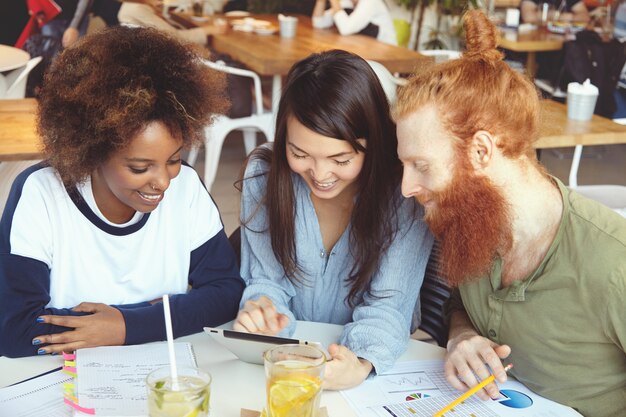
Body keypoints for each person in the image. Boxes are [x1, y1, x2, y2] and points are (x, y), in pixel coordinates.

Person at [394, 10, 625, 417]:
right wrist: (462, 335)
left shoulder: (613, 264)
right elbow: (460, 301)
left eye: (422, 166)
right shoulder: (470, 220)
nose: (406, 188)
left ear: (481, 151)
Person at [0, 26, 245, 358]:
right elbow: (15, 329)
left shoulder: (185, 188)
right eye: (140, 167)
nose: (163, 181)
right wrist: (168, 313)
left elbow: (227, 293)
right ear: (93, 151)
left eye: (173, 159)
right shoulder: (40, 194)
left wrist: (125, 326)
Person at [233, 50, 433, 390]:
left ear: (373, 144)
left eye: (340, 159)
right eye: (299, 154)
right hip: (287, 363)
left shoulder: (404, 192)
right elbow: (266, 281)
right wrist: (265, 316)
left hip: (366, 370)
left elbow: (389, 305)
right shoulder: (264, 175)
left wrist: (360, 363)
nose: (320, 174)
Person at [312, 0, 397, 45]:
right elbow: (319, 23)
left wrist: (335, 2)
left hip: (386, 53)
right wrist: (321, 1)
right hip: (364, 48)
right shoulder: (347, 2)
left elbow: (346, 29)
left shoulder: (371, 2)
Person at [520, 0, 589, 24]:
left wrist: (557, 16)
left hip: (563, 43)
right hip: (535, 41)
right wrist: (568, 17)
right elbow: (529, 17)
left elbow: (585, 17)